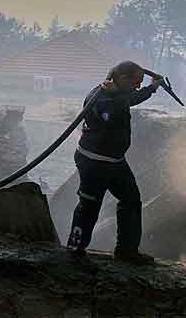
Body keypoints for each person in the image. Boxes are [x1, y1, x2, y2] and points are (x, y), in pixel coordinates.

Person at [67, 61, 160, 265]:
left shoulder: (118, 94)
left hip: (116, 162)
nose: (137, 86)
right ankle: (75, 250)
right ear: (123, 79)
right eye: (136, 82)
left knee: (131, 200)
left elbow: (129, 99)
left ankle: (126, 251)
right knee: (88, 206)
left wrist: (151, 89)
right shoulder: (98, 97)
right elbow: (112, 113)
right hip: (94, 163)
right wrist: (119, 95)